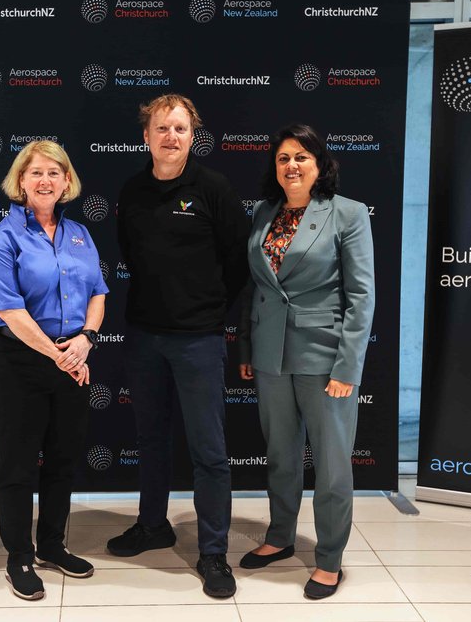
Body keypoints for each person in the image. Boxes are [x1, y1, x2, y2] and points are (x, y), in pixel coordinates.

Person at [108, 94, 249, 598]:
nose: (171, 137)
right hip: (144, 335)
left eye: (181, 129)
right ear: (146, 136)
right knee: (151, 440)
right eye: (162, 128)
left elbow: (239, 263)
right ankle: (153, 525)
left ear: (194, 136)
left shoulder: (212, 189)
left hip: (198, 340)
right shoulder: (133, 190)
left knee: (209, 452)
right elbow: (131, 254)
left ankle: (213, 551)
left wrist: (207, 312)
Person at [237, 123, 375, 600]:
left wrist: (347, 368)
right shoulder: (264, 213)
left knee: (333, 465)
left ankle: (330, 559)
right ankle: (280, 536)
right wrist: (247, 350)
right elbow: (254, 288)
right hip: (270, 355)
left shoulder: (348, 215)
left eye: (301, 157)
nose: (291, 166)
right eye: (283, 159)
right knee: (280, 456)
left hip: (324, 357)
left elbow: (361, 297)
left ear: (319, 165)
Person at [0, 140, 107, 601]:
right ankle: (19, 557)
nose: (46, 180)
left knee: (63, 459)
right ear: (20, 181)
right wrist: (62, 356)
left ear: (67, 181)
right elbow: (9, 310)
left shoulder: (79, 234)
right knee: (16, 465)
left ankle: (53, 544)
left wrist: (86, 341)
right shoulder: (4, 236)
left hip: (72, 359)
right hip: (20, 362)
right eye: (36, 173)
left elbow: (98, 292)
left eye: (55, 172)